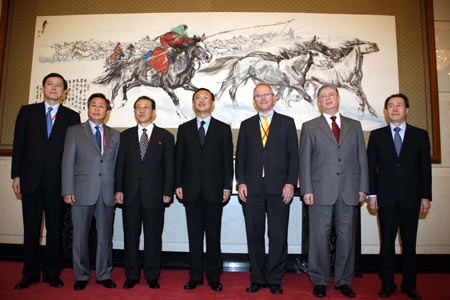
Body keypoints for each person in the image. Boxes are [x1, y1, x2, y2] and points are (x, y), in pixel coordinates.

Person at [11, 73, 80, 289]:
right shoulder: (27, 112)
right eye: (50, 84)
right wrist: (16, 175)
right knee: (31, 229)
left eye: (59, 85)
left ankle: (52, 273)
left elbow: (73, 153)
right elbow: (18, 145)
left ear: (65, 92)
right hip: (30, 180)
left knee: (55, 230)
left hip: (57, 183)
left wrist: (71, 183)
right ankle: (30, 273)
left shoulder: (72, 116)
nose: (54, 88)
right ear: (43, 88)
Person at [299, 84, 369, 298]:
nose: (327, 99)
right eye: (323, 96)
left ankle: (343, 280)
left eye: (331, 95)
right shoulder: (310, 126)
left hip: (349, 190)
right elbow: (305, 161)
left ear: (338, 98)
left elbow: (361, 159)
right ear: (318, 102)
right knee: (319, 237)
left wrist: (363, 187)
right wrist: (307, 189)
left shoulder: (355, 126)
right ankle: (319, 279)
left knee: (346, 237)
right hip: (319, 191)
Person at [235, 83, 299, 295]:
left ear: (274, 97)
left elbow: (294, 157)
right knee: (254, 235)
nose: (262, 98)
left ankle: (274, 279)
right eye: (258, 96)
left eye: (266, 95)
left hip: (280, 188)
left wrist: (291, 182)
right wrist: (241, 182)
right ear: (254, 101)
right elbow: (241, 158)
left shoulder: (287, 123)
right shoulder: (246, 125)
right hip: (251, 188)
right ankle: (257, 278)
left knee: (278, 235)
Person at [367, 94, 431, 300]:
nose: (394, 109)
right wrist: (372, 194)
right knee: (386, 243)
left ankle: (410, 285)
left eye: (399, 105)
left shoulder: (420, 135)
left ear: (407, 109)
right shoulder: (377, 136)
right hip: (385, 198)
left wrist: (426, 196)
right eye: (390, 106)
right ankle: (387, 284)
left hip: (411, 198)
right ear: (386, 111)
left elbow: (425, 169)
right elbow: (371, 169)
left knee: (409, 243)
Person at [175, 88, 233, 292]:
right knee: (194, 236)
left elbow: (228, 162)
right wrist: (178, 184)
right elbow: (179, 160)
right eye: (197, 98)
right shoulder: (184, 129)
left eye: (205, 98)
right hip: (190, 191)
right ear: (193, 103)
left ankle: (214, 277)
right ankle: (195, 276)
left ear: (212, 102)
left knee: (214, 236)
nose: (201, 101)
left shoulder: (223, 129)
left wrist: (227, 186)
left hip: (215, 191)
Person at [114, 96, 174, 289]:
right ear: (134, 112)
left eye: (145, 107)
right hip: (130, 195)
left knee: (153, 237)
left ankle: (152, 275)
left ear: (153, 112)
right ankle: (131, 275)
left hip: (155, 196)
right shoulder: (125, 136)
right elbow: (120, 166)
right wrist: (119, 190)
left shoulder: (165, 137)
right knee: (130, 237)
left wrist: (167, 191)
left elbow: (169, 168)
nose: (141, 111)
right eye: (138, 107)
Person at [61, 93, 120, 291]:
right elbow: (67, 162)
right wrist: (67, 189)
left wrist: (118, 190)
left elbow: (117, 166)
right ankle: (81, 275)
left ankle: (104, 274)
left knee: (105, 236)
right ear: (87, 108)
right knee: (80, 236)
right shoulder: (75, 131)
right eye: (93, 105)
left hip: (107, 192)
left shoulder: (115, 135)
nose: (97, 109)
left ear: (107, 111)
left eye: (101, 106)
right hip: (81, 191)